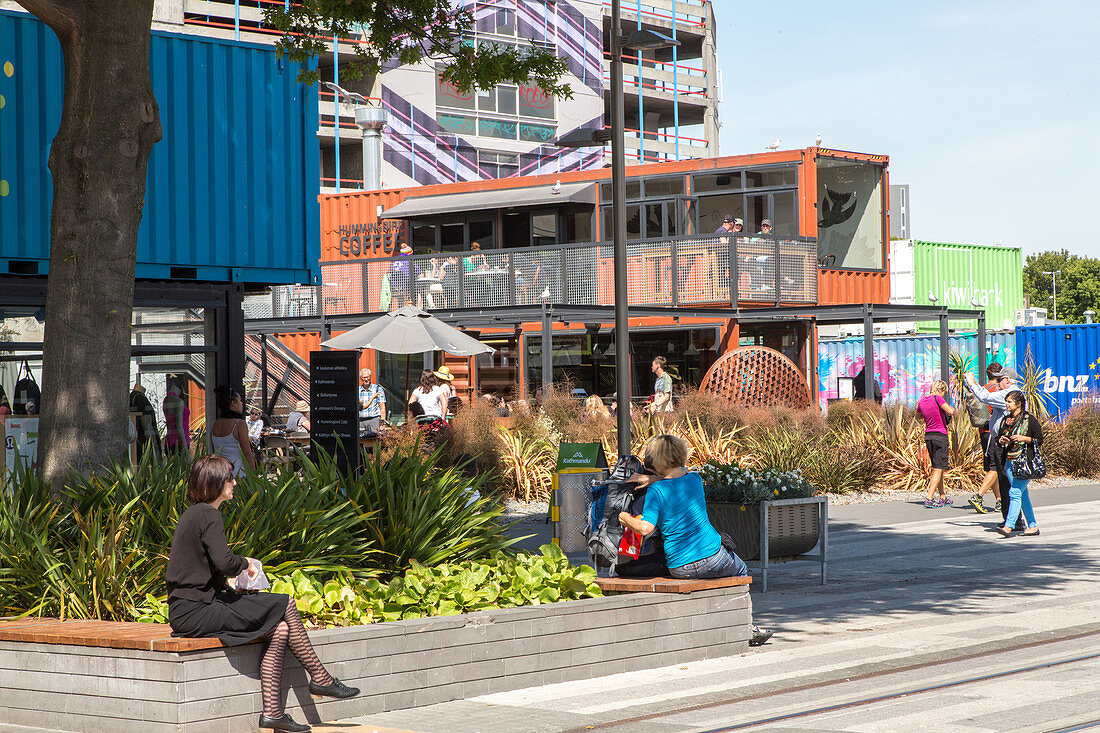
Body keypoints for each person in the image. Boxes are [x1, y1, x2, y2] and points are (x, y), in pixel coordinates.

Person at [167, 456, 358, 732]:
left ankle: (273, 713)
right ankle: (320, 677)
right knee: (286, 603)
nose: (234, 482)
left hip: (195, 607)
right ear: (216, 484)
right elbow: (224, 562)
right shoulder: (209, 514)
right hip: (195, 611)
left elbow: (202, 569)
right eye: (229, 478)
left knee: (280, 629)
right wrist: (247, 563)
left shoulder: (195, 513)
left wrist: (234, 583)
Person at [623, 435, 772, 646]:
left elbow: (646, 527)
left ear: (658, 460)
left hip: (680, 567)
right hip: (714, 558)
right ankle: (748, 626)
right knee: (740, 571)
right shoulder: (695, 480)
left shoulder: (656, 491)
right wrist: (655, 479)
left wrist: (624, 517)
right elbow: (679, 478)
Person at [965, 365, 1023, 529]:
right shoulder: (1009, 393)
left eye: (999, 380)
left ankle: (1014, 520)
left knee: (1007, 481)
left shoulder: (1008, 394)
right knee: (1006, 481)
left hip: (1005, 442)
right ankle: (1011, 518)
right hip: (1002, 440)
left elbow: (984, 397)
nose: (996, 383)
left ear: (1006, 380)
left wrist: (972, 383)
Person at [995, 390, 1043, 537]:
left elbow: (1039, 439)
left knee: (1014, 492)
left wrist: (1024, 438)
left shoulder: (1030, 420)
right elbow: (999, 436)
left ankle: (1009, 526)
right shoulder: (1006, 420)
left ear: (1019, 404)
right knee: (1022, 495)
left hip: (1024, 462)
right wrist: (1002, 439)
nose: (1006, 404)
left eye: (1009, 402)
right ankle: (1033, 526)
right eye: (1006, 401)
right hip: (1009, 462)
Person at [964, 362, 1004, 514]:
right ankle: (978, 496)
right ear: (999, 376)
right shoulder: (997, 390)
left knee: (991, 467)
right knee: (995, 467)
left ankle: (999, 500)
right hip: (994, 433)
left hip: (982, 432)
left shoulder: (981, 389)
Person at [916, 380, 955, 508]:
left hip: (928, 435)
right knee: (938, 469)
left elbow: (917, 416)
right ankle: (929, 498)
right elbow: (950, 411)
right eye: (944, 392)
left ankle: (942, 497)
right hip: (940, 435)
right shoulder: (937, 398)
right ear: (941, 390)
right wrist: (952, 409)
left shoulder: (922, 401)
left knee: (938, 467)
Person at [210, 386, 256, 477]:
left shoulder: (215, 424)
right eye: (240, 401)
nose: (242, 404)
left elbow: (214, 451)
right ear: (233, 403)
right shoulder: (239, 424)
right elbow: (247, 452)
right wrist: (254, 476)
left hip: (220, 474)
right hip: (238, 475)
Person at [129, 382, 162, 461]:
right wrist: (155, 449)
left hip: (136, 445)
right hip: (142, 445)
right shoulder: (140, 399)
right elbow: (147, 427)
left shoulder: (131, 399)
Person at [163, 377, 191, 455]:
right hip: (180, 443)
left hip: (169, 441)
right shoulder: (178, 401)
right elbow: (179, 426)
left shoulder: (166, 400)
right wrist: (185, 449)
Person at [358, 368, 386, 435]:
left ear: (370, 377)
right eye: (364, 377)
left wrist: (382, 424)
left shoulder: (377, 389)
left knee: (374, 442)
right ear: (361, 378)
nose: (366, 379)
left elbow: (382, 408)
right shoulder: (357, 390)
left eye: (368, 377)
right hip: (360, 421)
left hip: (374, 420)